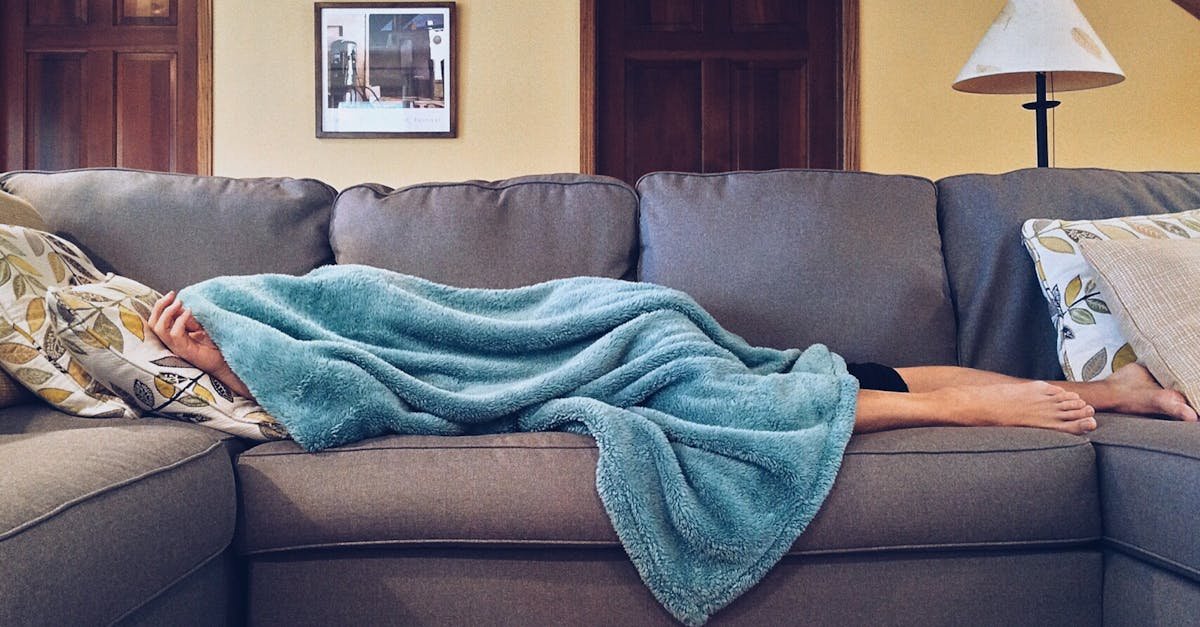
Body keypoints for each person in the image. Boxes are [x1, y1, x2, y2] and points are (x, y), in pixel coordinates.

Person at [147, 290, 1198, 437]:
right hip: (636, 325)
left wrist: (231, 354)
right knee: (827, 371)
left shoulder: (275, 307)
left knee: (759, 397)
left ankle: (983, 411)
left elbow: (367, 369)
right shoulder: (263, 328)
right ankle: (1114, 390)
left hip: (628, 328)